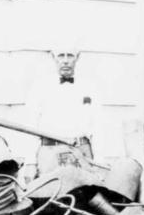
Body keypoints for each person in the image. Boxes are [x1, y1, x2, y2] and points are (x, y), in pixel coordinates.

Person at [31, 45, 124, 177]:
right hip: (49, 152)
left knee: (85, 193)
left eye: (70, 55)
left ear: (77, 58)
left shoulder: (90, 86)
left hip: (82, 151)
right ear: (53, 58)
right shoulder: (40, 87)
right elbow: (30, 128)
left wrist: (99, 160)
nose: (65, 60)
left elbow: (97, 127)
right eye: (60, 55)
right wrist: (30, 163)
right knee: (51, 193)